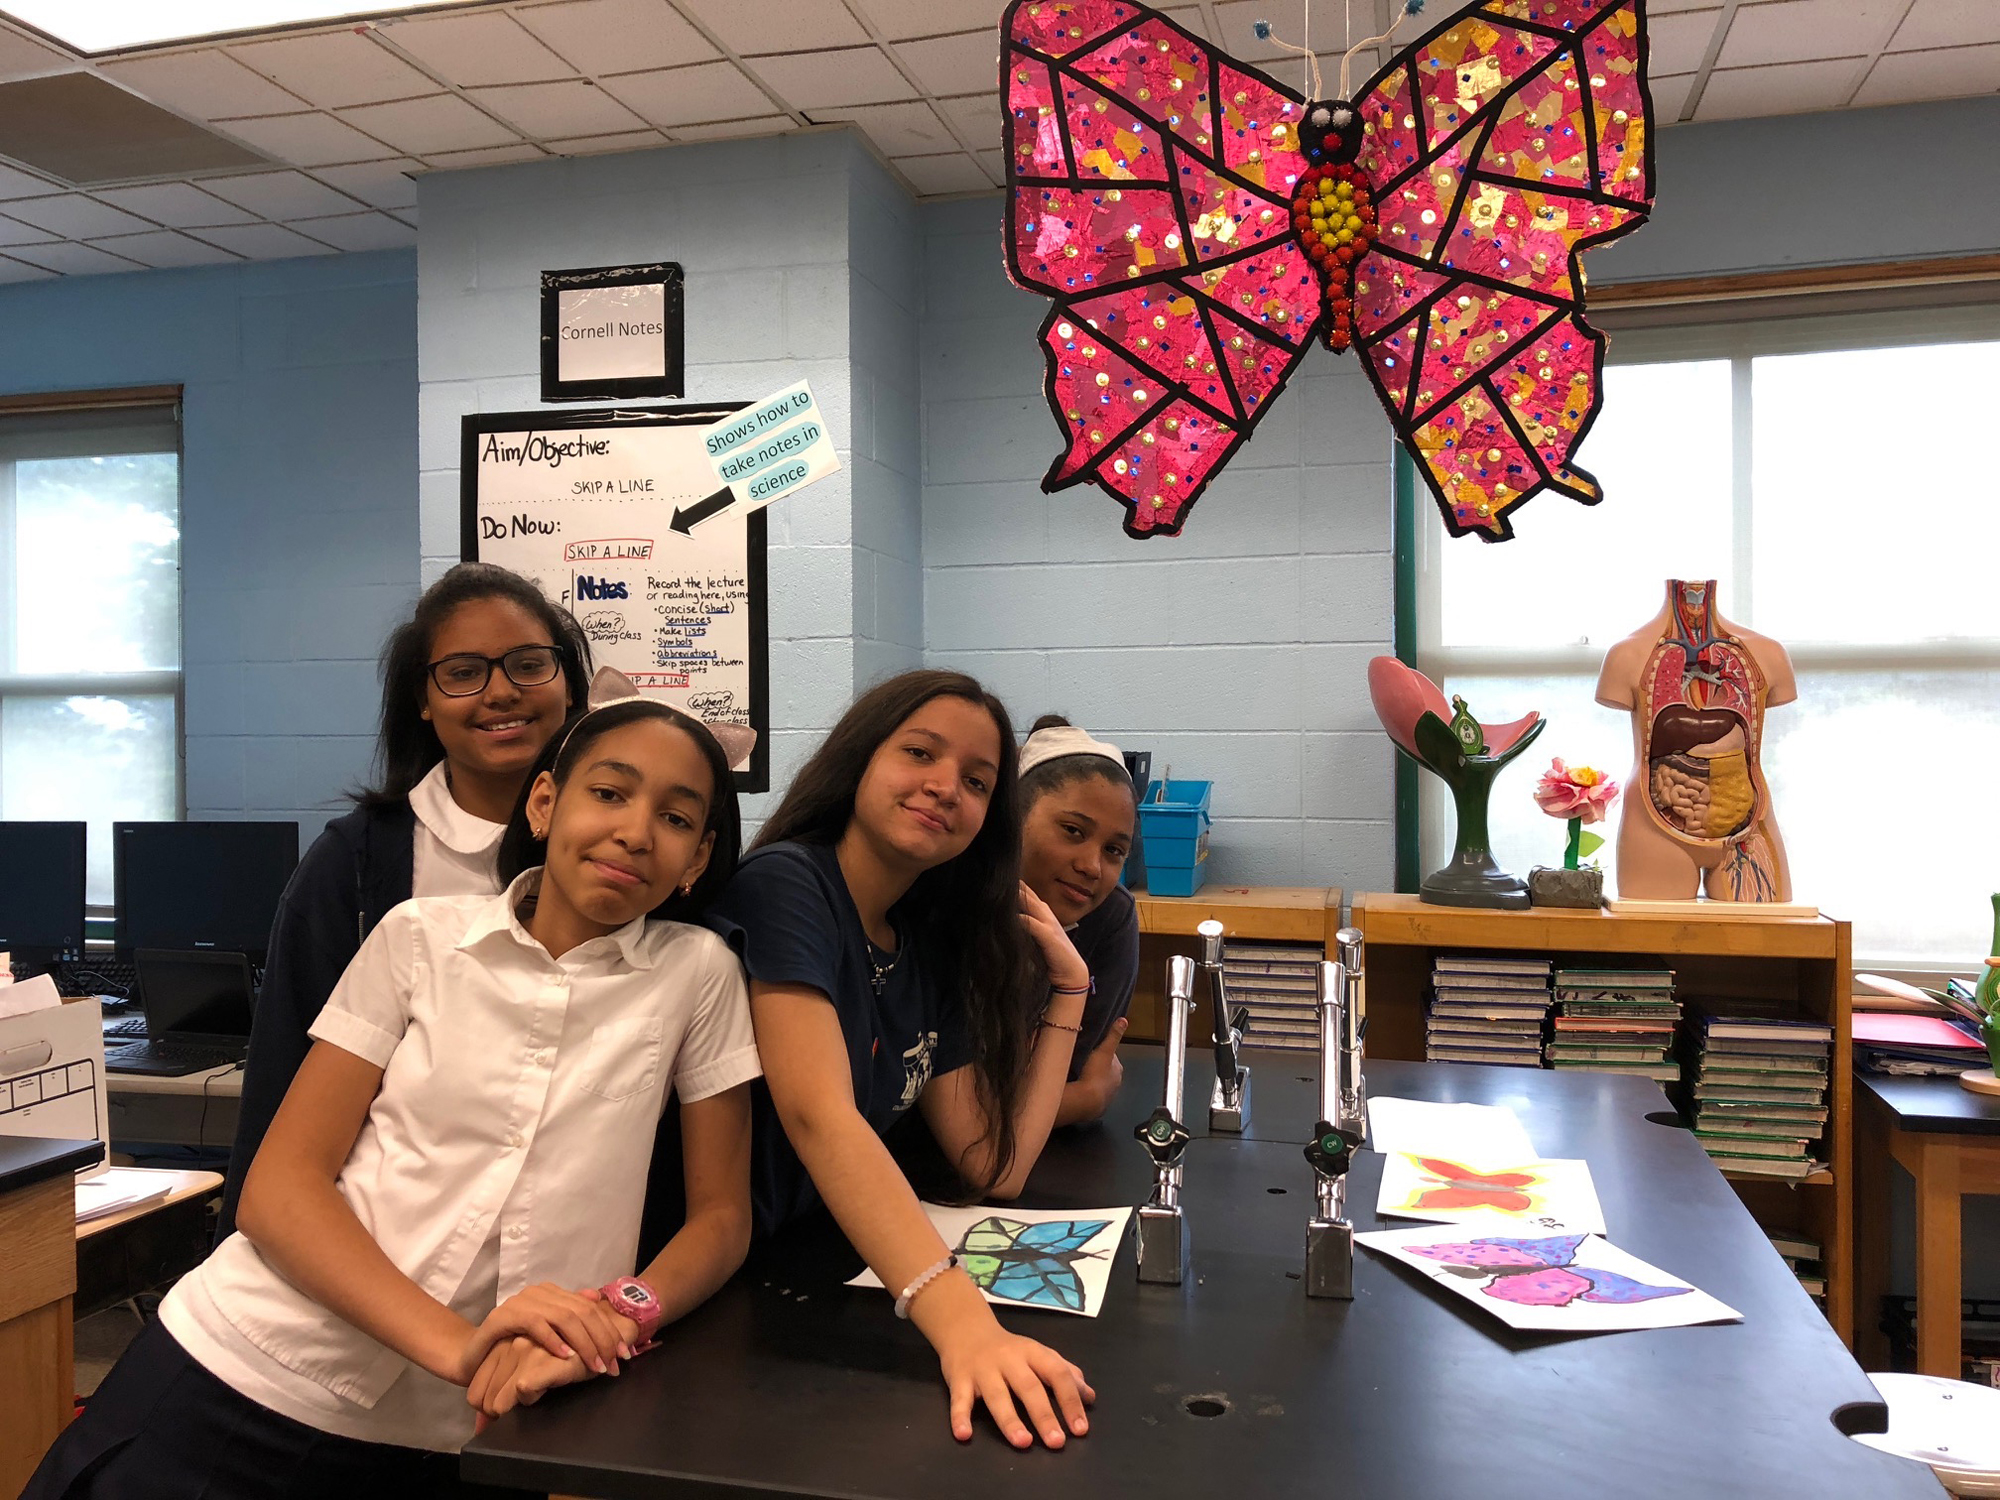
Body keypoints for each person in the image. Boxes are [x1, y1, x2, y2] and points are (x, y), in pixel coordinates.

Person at [26, 682, 759, 1499]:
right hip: (251, 1372)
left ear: (698, 858)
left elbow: (722, 1217)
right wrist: (461, 1346)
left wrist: (621, 1312)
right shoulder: (418, 939)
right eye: (610, 793)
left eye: (676, 818)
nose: (636, 831)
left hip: (485, 1426)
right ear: (545, 803)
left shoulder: (699, 974)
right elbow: (279, 1189)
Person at [704, 670, 1095, 1451]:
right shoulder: (788, 883)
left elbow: (993, 1165)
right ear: (859, 760)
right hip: (709, 1291)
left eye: (977, 781)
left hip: (798, 1280)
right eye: (920, 753)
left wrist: (1071, 988)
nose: (946, 787)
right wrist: (966, 1329)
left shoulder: (923, 940)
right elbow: (820, 1115)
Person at [217, 562, 591, 1242]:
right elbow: (280, 1084)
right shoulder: (357, 868)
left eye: (529, 664)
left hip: (577, 1235)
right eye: (463, 672)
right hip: (381, 1240)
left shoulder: (624, 856)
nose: (501, 692)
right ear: (423, 699)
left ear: (568, 681)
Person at [1016, 716, 1140, 1125]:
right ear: (1012, 818)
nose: (1092, 866)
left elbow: (1071, 1068)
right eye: (1072, 830)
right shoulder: (951, 907)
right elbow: (962, 1111)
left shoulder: (1111, 915)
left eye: (1114, 851)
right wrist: (1086, 1100)